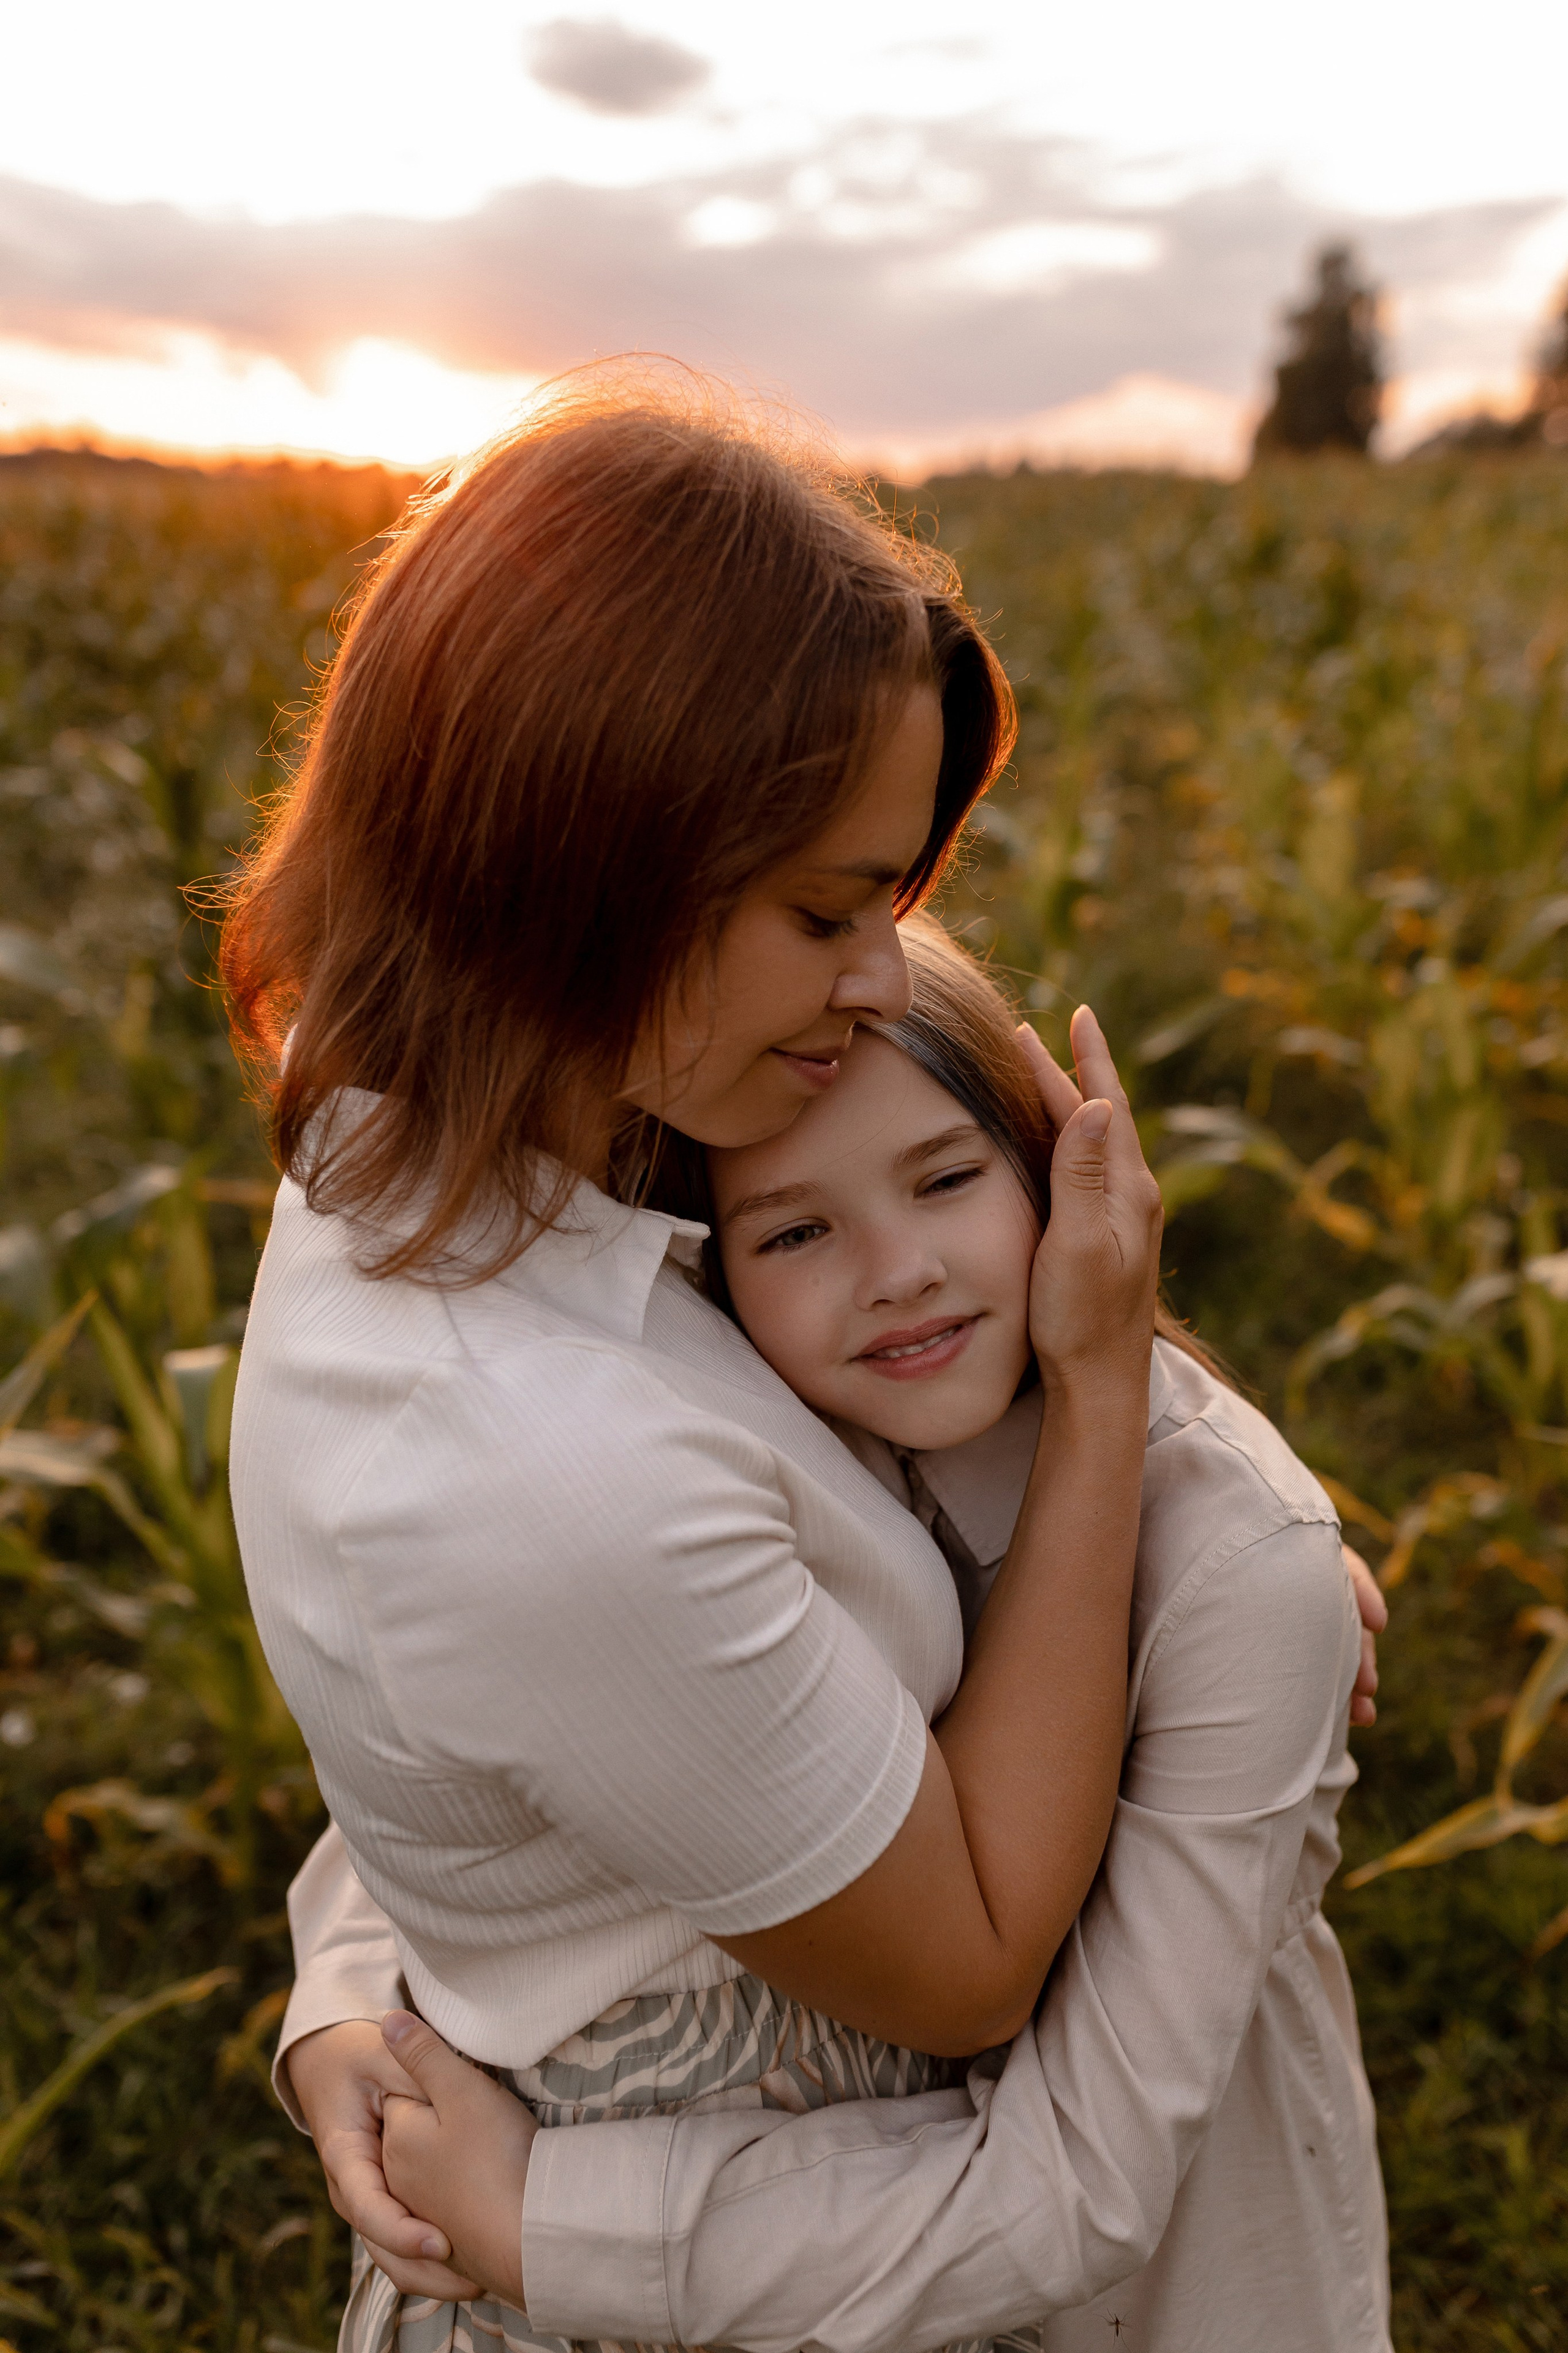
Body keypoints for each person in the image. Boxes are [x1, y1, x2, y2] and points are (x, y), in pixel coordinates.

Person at [225, 369, 1169, 2348]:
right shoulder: (538, 1460)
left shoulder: (460, 1163)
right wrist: (1108, 1418)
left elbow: (494, 1735)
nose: (883, 977)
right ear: (584, 865)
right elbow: (977, 1955)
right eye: (829, 906)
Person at [308, 919, 1392, 2352]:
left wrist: (544, 2224)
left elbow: (1082, 2180)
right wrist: (340, 2006)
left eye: (945, 1179)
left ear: (1057, 1178)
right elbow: (529, 1715)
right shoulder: (747, 1434)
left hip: (1132, 2277)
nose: (893, 1271)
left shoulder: (1232, 1575)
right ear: (712, 1269)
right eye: (794, 1229)